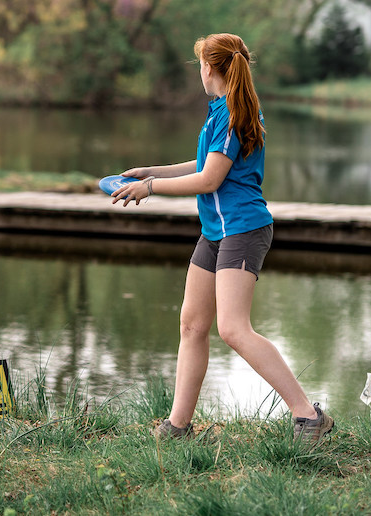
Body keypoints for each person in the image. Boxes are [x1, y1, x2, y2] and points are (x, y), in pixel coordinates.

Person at [109, 33, 334, 441]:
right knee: (192, 324)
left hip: (243, 230)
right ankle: (177, 427)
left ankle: (309, 416)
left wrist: (152, 190)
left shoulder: (233, 115)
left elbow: (210, 178)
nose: (199, 69)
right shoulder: (222, 112)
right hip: (216, 231)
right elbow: (204, 164)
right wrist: (151, 172)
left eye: (199, 63)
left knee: (233, 329)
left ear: (208, 68)